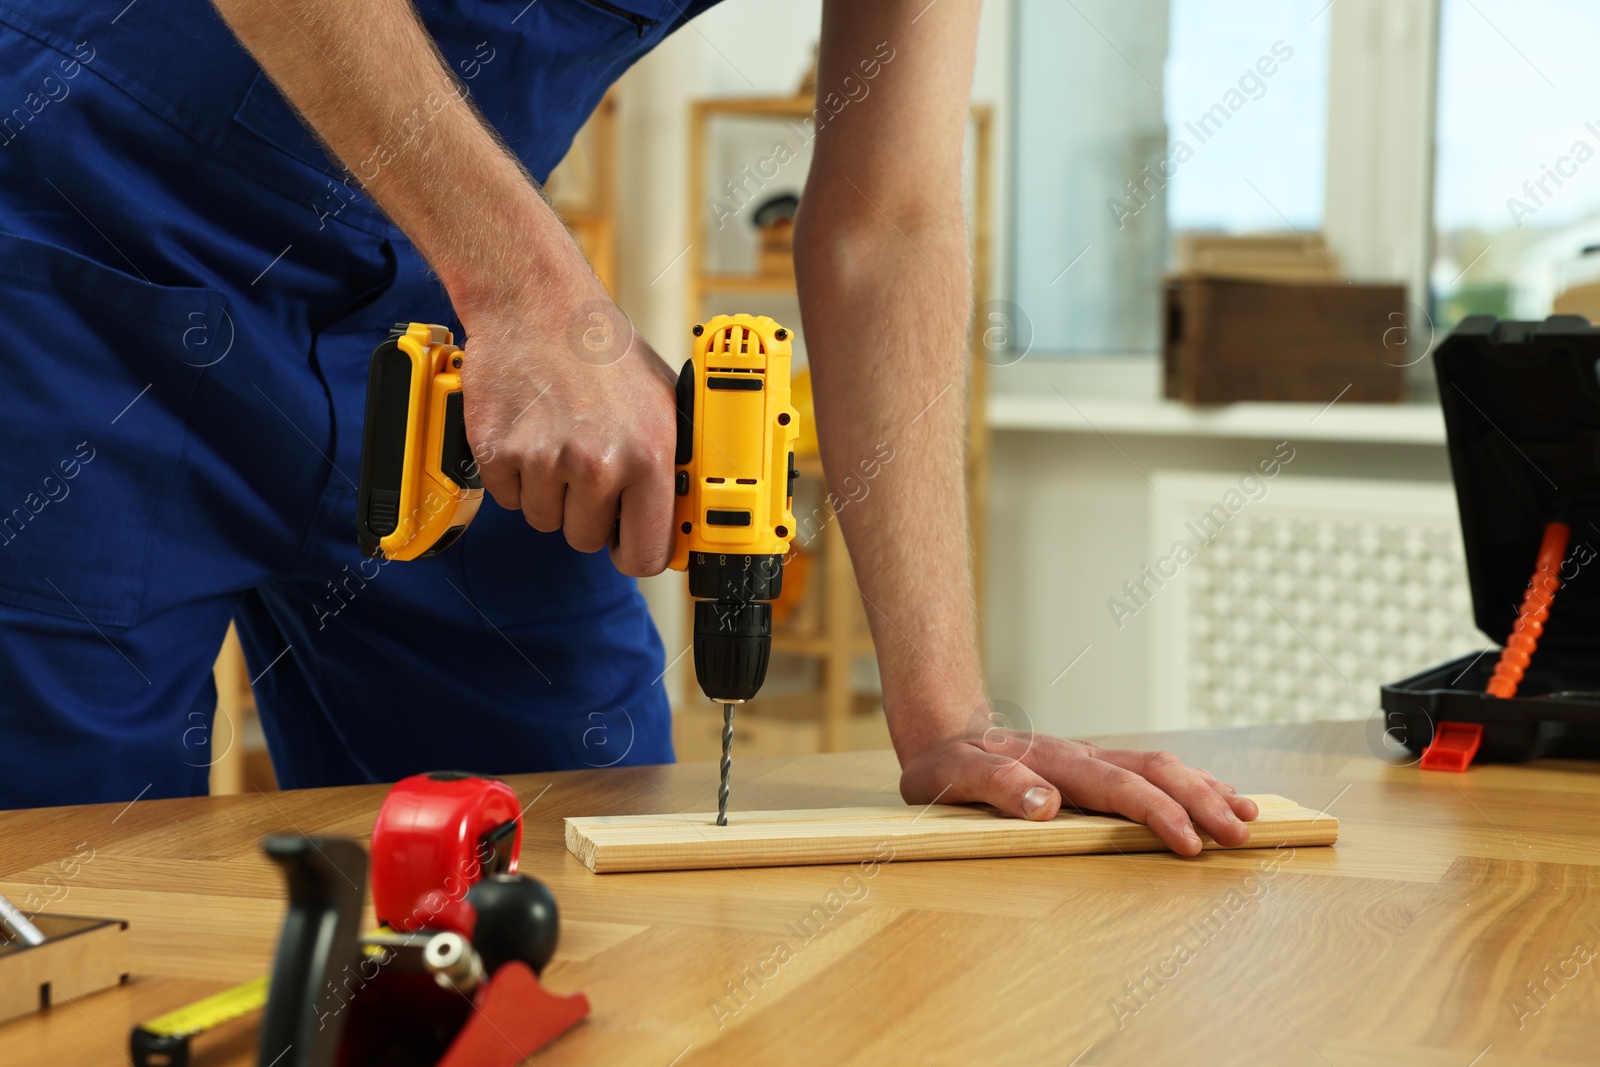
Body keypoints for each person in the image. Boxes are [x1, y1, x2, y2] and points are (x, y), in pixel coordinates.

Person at [0, 0, 1255, 855]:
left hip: (431, 297)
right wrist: (532, 291)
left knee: (565, 844)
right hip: (67, 235)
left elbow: (889, 224)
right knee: (76, 897)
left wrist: (947, 718)